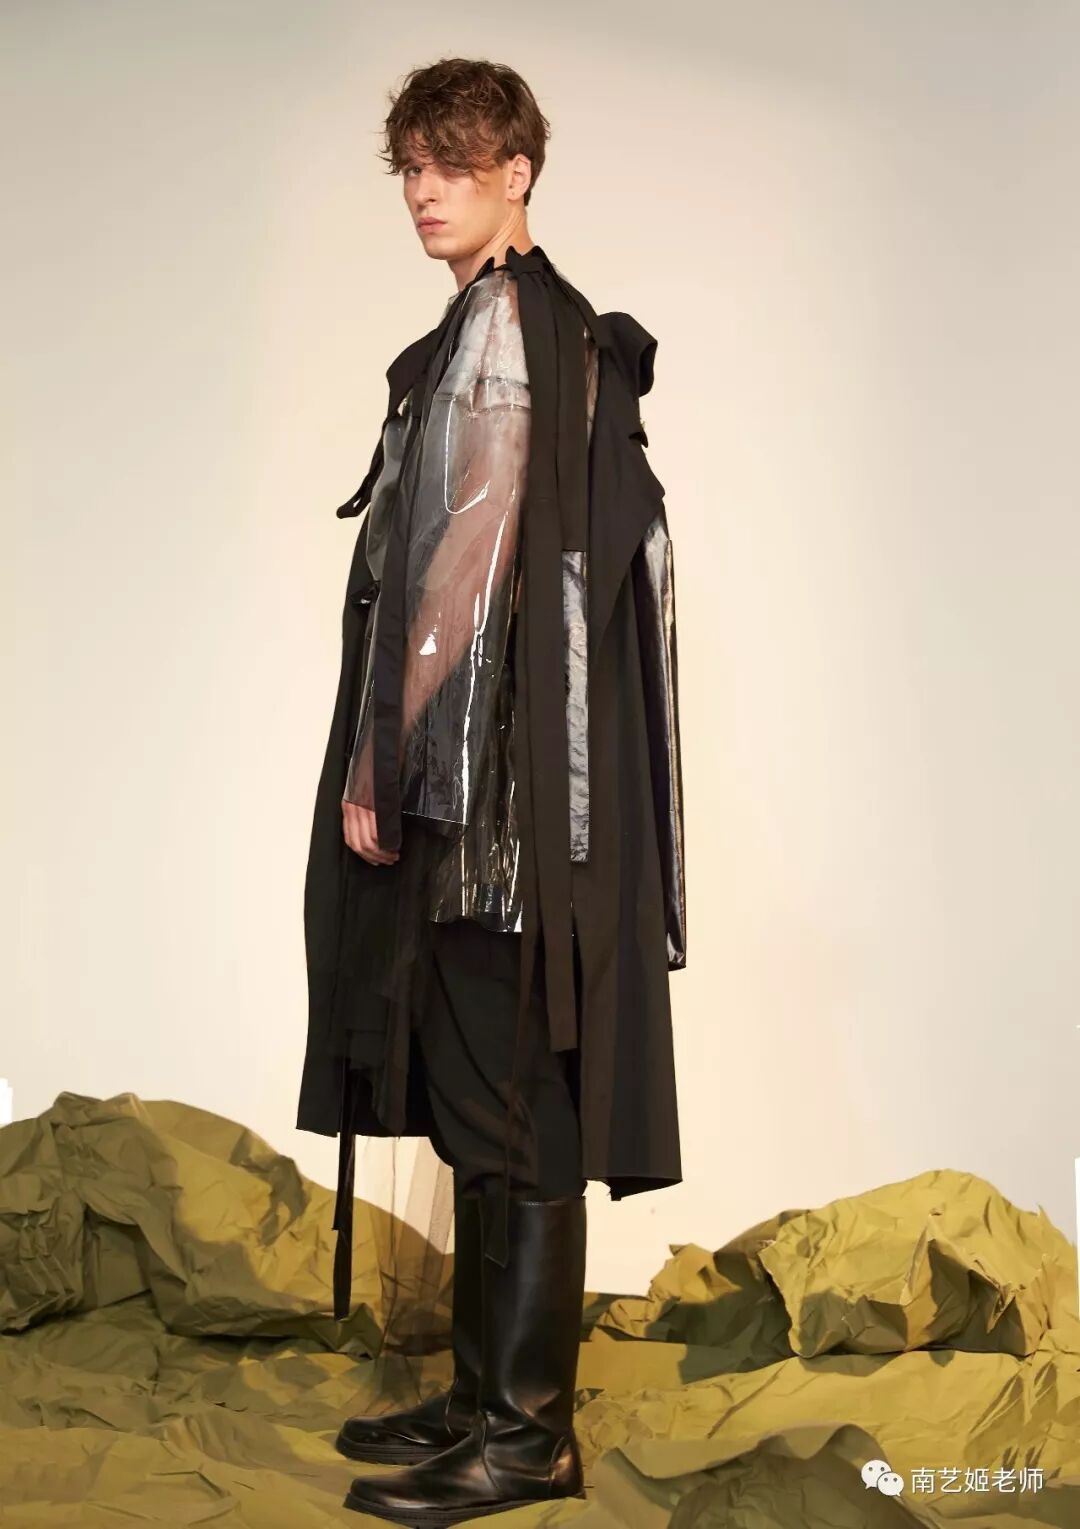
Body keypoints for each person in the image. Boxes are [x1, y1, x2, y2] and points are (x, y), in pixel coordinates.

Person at [295, 55, 687, 1524]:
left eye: (453, 163)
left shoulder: (511, 328)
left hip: (497, 810)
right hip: (510, 796)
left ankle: (527, 1436)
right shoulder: (514, 322)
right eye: (411, 166)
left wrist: (382, 763)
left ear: (518, 172)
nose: (424, 190)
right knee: (481, 1093)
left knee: (511, 1101)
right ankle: (479, 1397)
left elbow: (461, 569)